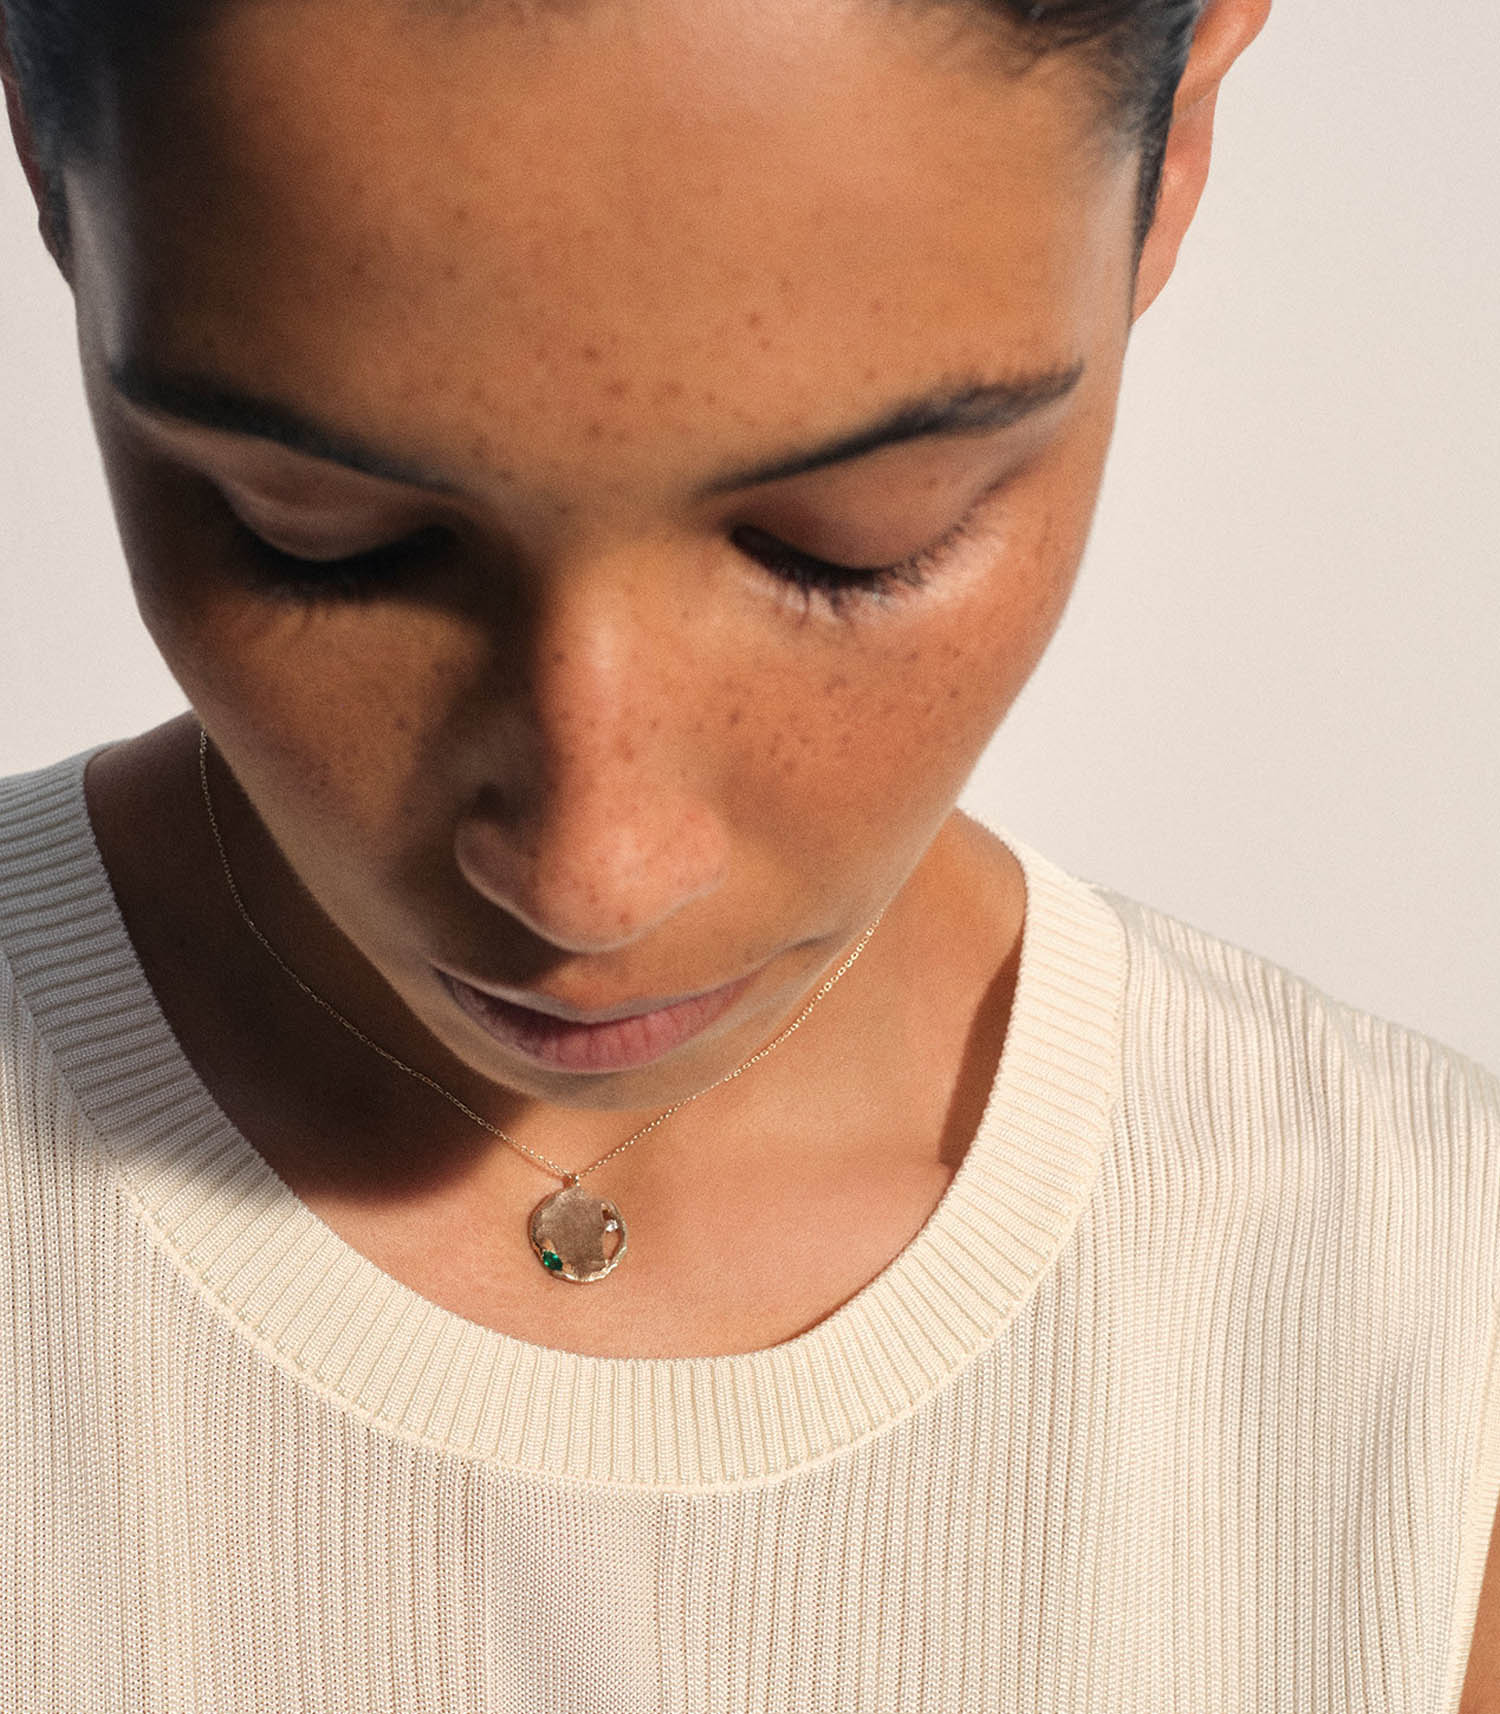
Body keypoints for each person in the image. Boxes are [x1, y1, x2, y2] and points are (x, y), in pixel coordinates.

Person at [1, 0, 1497, 1706]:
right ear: (39, 135)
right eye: (321, 536)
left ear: (1176, 141)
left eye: (849, 545)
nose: (590, 876)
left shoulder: (1426, 1355)